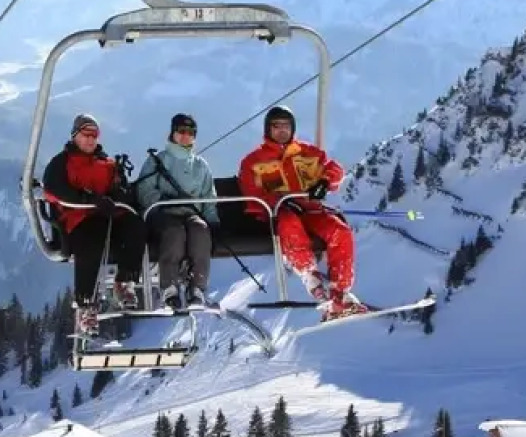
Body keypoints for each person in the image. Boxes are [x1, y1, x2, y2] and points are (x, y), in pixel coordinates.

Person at [237, 105, 369, 321]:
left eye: (286, 126)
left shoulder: (307, 153)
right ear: (268, 129)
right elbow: (252, 195)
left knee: (340, 230)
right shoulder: (254, 161)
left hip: (312, 212)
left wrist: (325, 182)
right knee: (290, 223)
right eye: (276, 126)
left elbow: (335, 169)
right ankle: (312, 278)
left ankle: (340, 292)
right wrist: (282, 203)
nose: (282, 130)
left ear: (293, 128)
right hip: (280, 215)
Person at [41, 113, 146, 329]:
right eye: (85, 134)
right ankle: (85, 302)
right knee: (92, 237)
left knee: (135, 226)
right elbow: (53, 190)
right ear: (75, 136)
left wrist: (118, 193)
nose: (90, 139)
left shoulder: (107, 163)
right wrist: (88, 199)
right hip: (78, 219)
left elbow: (121, 191)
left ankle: (125, 281)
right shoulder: (61, 163)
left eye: (94, 135)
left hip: (108, 217)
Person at [134, 112, 218, 309]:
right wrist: (163, 201)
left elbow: (208, 196)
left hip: (191, 214)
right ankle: (169, 287)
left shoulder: (200, 165)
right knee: (174, 233)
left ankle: (197, 286)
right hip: (163, 214)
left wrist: (213, 221)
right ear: (172, 133)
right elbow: (144, 190)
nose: (185, 136)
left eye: (190, 132)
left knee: (200, 230)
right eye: (181, 131)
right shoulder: (158, 161)